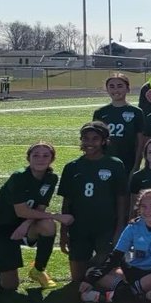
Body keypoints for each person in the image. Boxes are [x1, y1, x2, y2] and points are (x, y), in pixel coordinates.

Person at [0, 142, 71, 291]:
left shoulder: (51, 178)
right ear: (28, 158)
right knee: (10, 286)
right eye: (36, 155)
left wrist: (25, 225)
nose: (40, 159)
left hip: (25, 226)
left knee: (48, 224)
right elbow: (21, 211)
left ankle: (38, 270)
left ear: (52, 159)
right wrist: (57, 215)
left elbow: (40, 207)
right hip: (0, 229)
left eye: (45, 155)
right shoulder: (19, 176)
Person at [80, 187, 151, 303]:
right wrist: (90, 280)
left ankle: (113, 296)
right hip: (132, 273)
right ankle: (134, 293)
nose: (148, 210)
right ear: (139, 208)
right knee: (91, 272)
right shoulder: (133, 226)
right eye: (143, 206)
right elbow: (115, 257)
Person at [59, 122, 129, 284]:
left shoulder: (115, 164)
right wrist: (63, 232)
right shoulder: (72, 167)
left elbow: (121, 199)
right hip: (79, 226)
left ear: (104, 141)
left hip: (105, 226)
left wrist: (119, 228)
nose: (89, 143)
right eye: (86, 138)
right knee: (78, 278)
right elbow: (66, 201)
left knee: (102, 271)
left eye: (95, 139)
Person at [92, 72, 144, 173]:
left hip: (128, 162)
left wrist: (136, 165)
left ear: (127, 89)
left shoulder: (136, 112)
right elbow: (95, 140)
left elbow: (140, 142)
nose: (116, 90)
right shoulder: (100, 112)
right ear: (107, 89)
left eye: (120, 86)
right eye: (112, 86)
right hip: (105, 161)